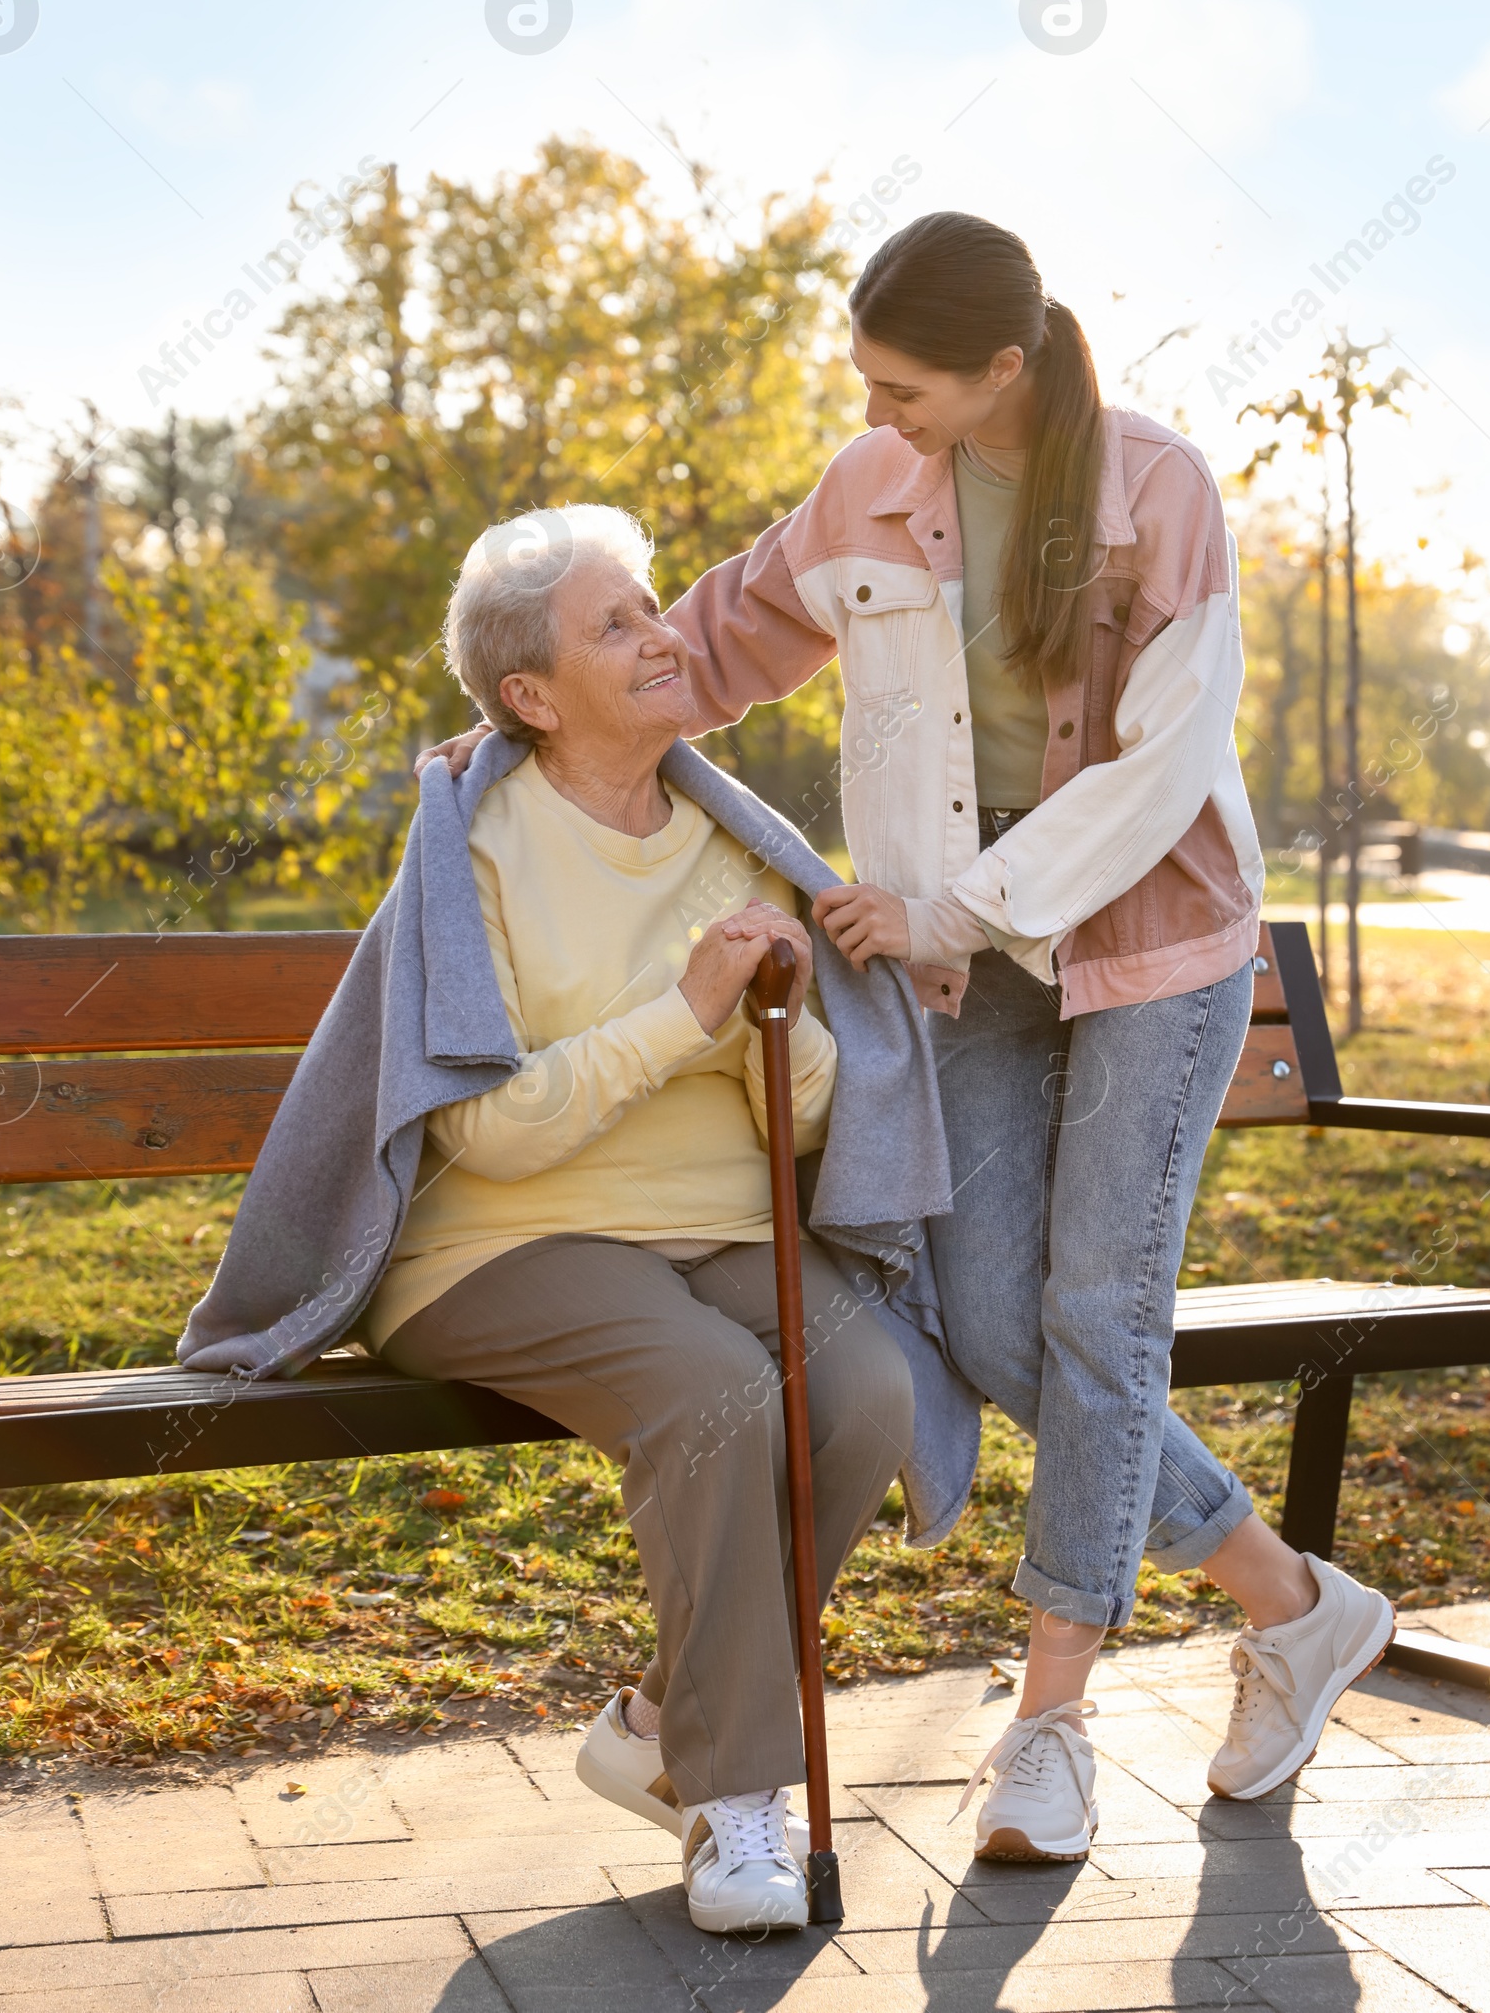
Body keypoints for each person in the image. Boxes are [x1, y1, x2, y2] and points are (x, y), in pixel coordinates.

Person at [421, 212, 1393, 1864]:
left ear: (1003, 367)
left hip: (1150, 945)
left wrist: (955, 908)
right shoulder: (867, 491)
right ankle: (1293, 1603)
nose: (881, 419)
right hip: (971, 962)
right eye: (866, 385)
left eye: (906, 388)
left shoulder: (1156, 490)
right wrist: (512, 740)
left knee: (1098, 1309)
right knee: (991, 1319)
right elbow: (714, 638)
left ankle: (1052, 1726)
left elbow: (1160, 774)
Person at [383, 504, 915, 1931]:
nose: (663, 633)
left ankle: (667, 1724)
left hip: (714, 1228)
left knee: (867, 1388)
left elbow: (802, 1114)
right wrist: (681, 1011)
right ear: (530, 697)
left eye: (652, 608)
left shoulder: (733, 839)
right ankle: (734, 1803)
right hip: (503, 1242)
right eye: (613, 625)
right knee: (719, 1394)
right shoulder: (475, 846)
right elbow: (482, 1129)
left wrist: (780, 1010)